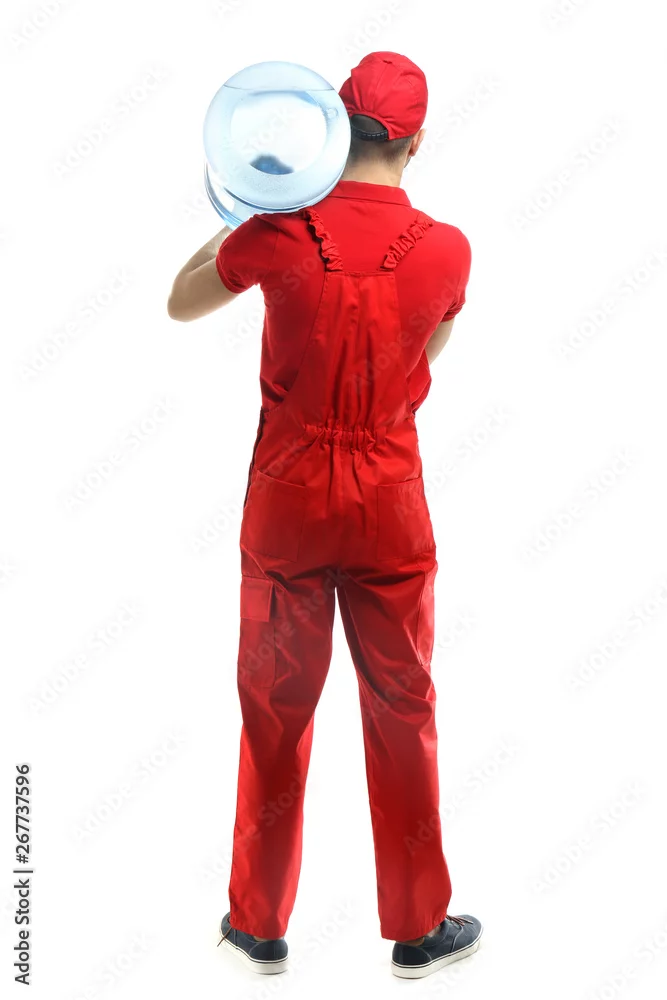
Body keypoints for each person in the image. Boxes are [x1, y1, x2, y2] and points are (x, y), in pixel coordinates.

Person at [168, 51, 482, 980]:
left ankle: (256, 927)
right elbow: (421, 361)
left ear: (332, 127)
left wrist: (249, 207)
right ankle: (418, 931)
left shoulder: (279, 231)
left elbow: (180, 302)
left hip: (289, 503)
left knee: (273, 712)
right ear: (417, 144)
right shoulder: (449, 249)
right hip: (389, 501)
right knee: (403, 710)